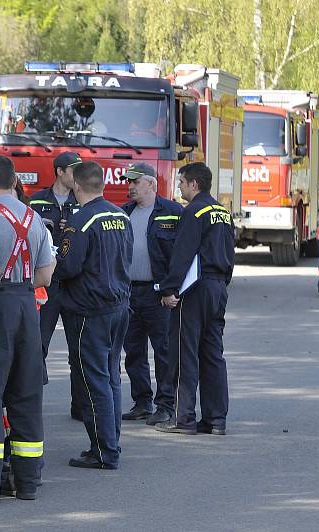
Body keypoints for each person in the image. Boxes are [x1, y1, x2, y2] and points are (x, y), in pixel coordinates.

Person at [0, 156, 54, 503]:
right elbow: (46, 277)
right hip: (26, 307)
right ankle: (28, 483)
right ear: (16, 180)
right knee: (27, 395)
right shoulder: (36, 219)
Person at [55, 161, 132, 470]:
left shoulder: (81, 220)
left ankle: (104, 450)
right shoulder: (120, 215)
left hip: (89, 311)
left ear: (76, 186)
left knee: (92, 381)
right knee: (111, 377)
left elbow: (67, 266)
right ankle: (111, 443)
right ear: (102, 184)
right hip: (119, 306)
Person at [156, 162, 235, 436]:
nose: (179, 186)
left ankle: (184, 418)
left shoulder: (194, 212)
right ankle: (216, 420)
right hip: (217, 288)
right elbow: (230, 254)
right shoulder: (222, 213)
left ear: (194, 184)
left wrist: (169, 289)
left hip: (195, 289)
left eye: (182, 182)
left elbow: (183, 254)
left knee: (184, 352)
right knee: (213, 354)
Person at [120, 164, 183, 425]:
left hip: (159, 294)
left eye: (136, 182)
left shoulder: (172, 212)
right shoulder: (123, 213)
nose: (130, 186)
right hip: (129, 291)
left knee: (163, 351)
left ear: (152, 184)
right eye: (129, 182)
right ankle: (142, 402)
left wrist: (172, 289)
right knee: (133, 350)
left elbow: (183, 256)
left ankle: (166, 404)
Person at [29, 151, 82, 419]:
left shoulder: (82, 200)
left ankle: (80, 407)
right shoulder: (37, 200)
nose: (78, 176)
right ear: (60, 172)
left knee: (79, 347)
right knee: (37, 345)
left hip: (74, 283)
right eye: (74, 170)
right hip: (47, 283)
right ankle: (31, 404)